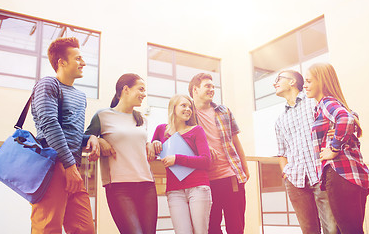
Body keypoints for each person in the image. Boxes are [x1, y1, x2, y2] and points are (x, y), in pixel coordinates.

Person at [30, 37, 100, 234]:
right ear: (62, 62)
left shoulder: (80, 96)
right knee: (47, 229)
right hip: (52, 167)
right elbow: (49, 124)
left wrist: (91, 138)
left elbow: (71, 132)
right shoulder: (47, 84)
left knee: (85, 229)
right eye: (78, 58)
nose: (83, 63)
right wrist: (69, 165)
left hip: (73, 168)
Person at [304, 63, 369, 234]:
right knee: (354, 230)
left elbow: (345, 119)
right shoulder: (336, 104)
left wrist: (333, 148)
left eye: (308, 81)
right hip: (354, 176)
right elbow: (350, 116)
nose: (304, 86)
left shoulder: (326, 103)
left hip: (339, 174)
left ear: (321, 81)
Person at [85, 74, 158, 234]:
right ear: (126, 89)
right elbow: (83, 140)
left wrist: (150, 144)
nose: (144, 94)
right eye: (140, 89)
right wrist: (97, 139)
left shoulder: (142, 120)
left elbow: (138, 144)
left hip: (147, 185)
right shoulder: (103, 116)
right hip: (119, 188)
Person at [273, 70, 339, 234]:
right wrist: (286, 173)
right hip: (295, 180)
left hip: (321, 175)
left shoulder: (314, 102)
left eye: (278, 79)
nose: (274, 83)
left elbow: (345, 115)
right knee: (308, 231)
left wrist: (336, 135)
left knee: (332, 229)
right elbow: (282, 152)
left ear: (292, 82)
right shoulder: (280, 120)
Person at [188, 73, 249, 234]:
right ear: (195, 89)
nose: (212, 89)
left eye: (213, 86)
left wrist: (245, 168)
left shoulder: (224, 111)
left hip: (231, 177)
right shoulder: (187, 114)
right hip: (204, 182)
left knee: (236, 227)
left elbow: (236, 142)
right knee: (211, 228)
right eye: (207, 86)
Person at [151, 94, 212, 234]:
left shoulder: (197, 130)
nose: (188, 109)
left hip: (198, 188)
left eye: (190, 107)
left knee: (200, 232)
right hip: (175, 190)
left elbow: (206, 161)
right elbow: (153, 154)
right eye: (183, 105)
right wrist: (153, 143)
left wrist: (177, 159)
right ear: (173, 108)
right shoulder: (161, 130)